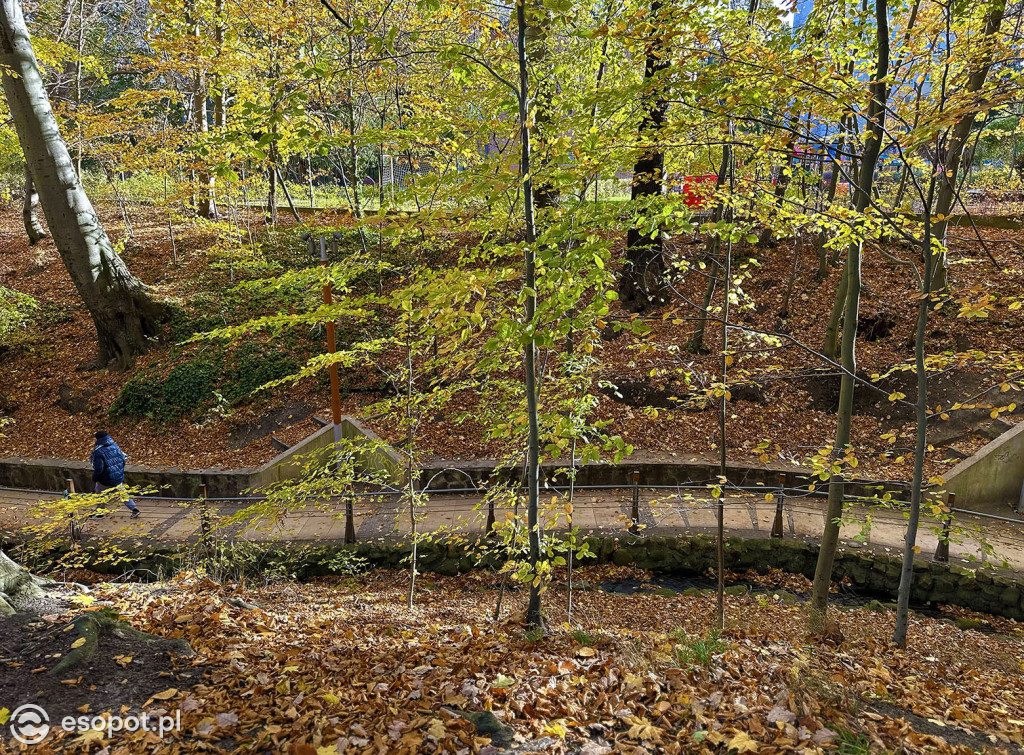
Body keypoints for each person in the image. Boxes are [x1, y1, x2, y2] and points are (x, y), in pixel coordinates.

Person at [91, 431, 140, 519]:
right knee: (123, 494)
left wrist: (95, 478)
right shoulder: (115, 446)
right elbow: (122, 460)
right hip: (117, 477)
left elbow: (99, 469)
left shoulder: (98, 452)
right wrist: (119, 473)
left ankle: (99, 513)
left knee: (100, 494)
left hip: (105, 479)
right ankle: (134, 509)